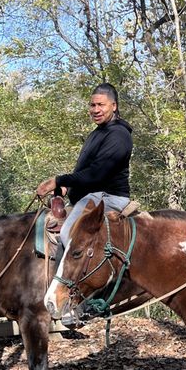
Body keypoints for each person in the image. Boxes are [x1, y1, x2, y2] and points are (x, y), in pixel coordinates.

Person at [36, 83, 133, 249]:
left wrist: (58, 180)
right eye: (92, 105)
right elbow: (84, 170)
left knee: (68, 233)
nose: (95, 110)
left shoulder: (118, 135)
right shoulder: (97, 133)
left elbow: (96, 174)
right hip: (92, 197)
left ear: (114, 106)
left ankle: (71, 276)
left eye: (101, 105)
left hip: (109, 197)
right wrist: (66, 187)